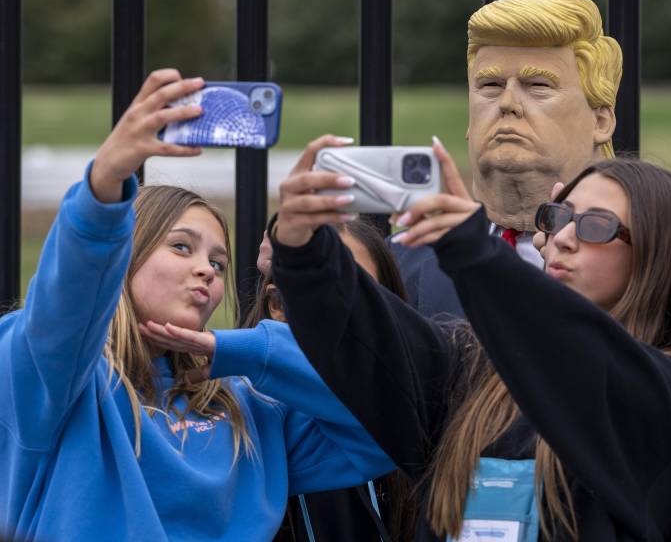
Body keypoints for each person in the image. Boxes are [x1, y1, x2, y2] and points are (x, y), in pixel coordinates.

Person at [0, 71, 393, 541]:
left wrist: (249, 350)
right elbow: (64, 306)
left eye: (219, 262)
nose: (207, 269)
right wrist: (105, 184)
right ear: (122, 258)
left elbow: (384, 423)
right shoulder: (52, 379)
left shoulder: (246, 406)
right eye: (182, 247)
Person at [270, 136, 671, 541]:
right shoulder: (475, 370)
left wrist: (472, 252)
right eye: (559, 216)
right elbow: (370, 339)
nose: (563, 237)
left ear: (652, 252)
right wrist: (305, 247)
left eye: (596, 226)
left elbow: (590, 364)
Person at [393, 0, 622, 318]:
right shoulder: (402, 261)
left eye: (538, 86)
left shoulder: (650, 262)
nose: (507, 103)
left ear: (600, 121)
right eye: (490, 86)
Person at [245, 219, 416, 542]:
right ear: (277, 305)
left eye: (362, 287)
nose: (340, 303)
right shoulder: (251, 412)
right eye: (319, 283)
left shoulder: (413, 413)